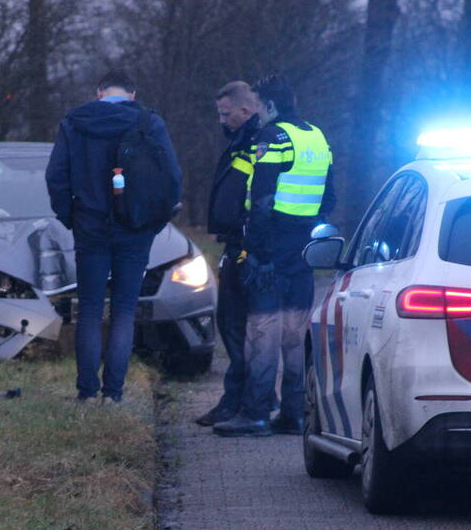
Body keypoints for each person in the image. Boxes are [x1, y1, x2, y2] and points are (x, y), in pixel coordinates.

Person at [46, 69, 182, 403]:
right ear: (132, 95)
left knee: (90, 309)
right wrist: (155, 220)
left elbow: (56, 176)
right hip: (135, 227)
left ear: (99, 92)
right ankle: (114, 394)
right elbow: (172, 176)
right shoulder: (150, 123)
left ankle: (87, 393)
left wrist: (70, 217)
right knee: (124, 309)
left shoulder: (74, 123)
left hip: (90, 225)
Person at [212, 74, 336, 437]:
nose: (260, 116)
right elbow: (329, 198)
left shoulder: (272, 137)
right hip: (303, 246)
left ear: (270, 106)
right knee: (295, 332)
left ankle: (256, 413)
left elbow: (262, 199)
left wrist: (258, 254)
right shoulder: (316, 135)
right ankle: (295, 413)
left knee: (262, 329)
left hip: (271, 244)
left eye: (261, 107)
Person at [194, 80, 265, 428]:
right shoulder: (243, 140)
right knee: (235, 325)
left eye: (226, 114)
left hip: (247, 246)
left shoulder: (255, 143)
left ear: (245, 111)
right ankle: (240, 399)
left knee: (238, 325)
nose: (222, 120)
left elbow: (251, 194)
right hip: (239, 243)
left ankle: (243, 402)